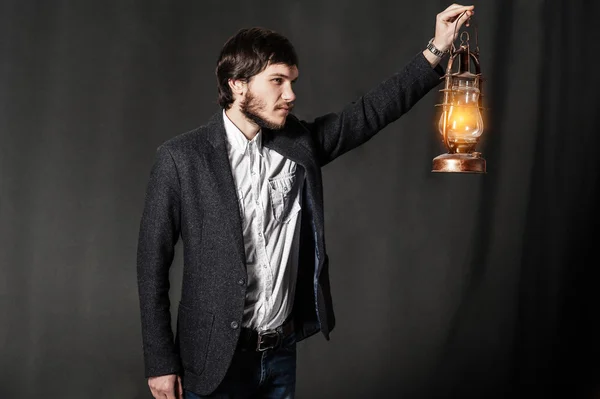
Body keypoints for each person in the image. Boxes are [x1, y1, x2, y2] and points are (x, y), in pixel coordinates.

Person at [136, 4, 475, 398]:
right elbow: (151, 265)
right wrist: (161, 362)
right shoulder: (181, 159)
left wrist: (436, 49)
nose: (291, 95)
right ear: (237, 84)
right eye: (277, 81)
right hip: (211, 361)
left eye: (292, 81)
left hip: (279, 355)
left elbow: (368, 113)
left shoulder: (298, 145)